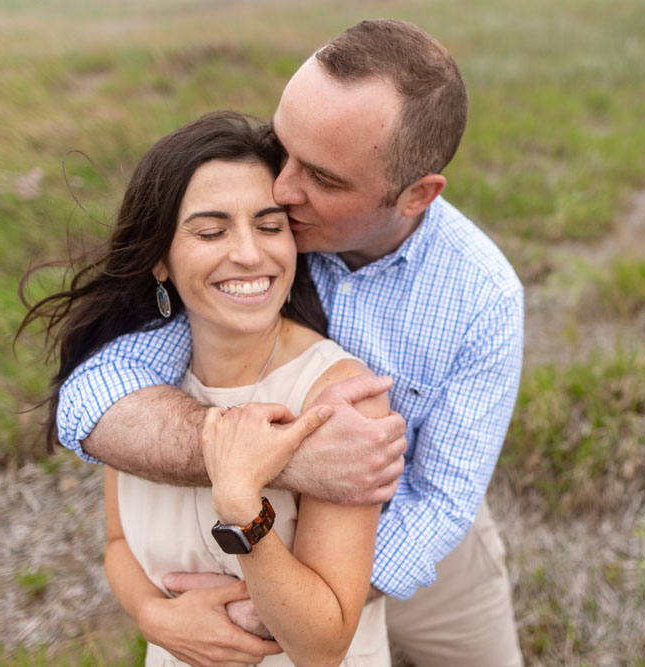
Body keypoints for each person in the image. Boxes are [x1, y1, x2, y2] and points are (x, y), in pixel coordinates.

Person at [57, 19, 524, 667]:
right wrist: (278, 461)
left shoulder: (483, 294)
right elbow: (94, 398)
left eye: (324, 178)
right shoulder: (259, 241)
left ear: (416, 195)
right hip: (267, 544)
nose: (280, 187)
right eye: (284, 146)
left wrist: (293, 604)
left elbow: (442, 495)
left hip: (424, 558)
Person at [22, 111, 392, 665]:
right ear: (159, 261)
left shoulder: (340, 395)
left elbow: (323, 644)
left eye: (270, 226)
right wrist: (154, 616)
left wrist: (243, 507)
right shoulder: (137, 394)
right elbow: (120, 547)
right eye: (212, 231)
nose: (249, 253)